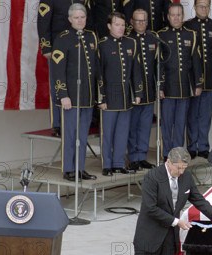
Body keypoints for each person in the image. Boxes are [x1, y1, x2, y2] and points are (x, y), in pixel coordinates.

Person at [128, 147, 212, 255]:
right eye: (178, 167)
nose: (181, 171)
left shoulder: (185, 177)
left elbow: (197, 198)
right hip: (149, 238)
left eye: (184, 168)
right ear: (168, 162)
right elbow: (150, 208)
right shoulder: (152, 177)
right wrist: (176, 222)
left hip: (169, 239)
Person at [51, 3, 99, 182]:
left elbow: (96, 68)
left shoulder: (91, 36)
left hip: (87, 97)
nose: (80, 20)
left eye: (83, 17)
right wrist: (63, 95)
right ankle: (68, 169)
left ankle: (80, 168)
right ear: (70, 19)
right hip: (70, 97)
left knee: (82, 136)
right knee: (70, 135)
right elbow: (58, 70)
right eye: (76, 17)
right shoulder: (62, 39)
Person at [98, 12, 143, 176]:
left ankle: (119, 163)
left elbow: (136, 70)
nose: (121, 28)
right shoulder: (102, 44)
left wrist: (138, 91)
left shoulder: (131, 43)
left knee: (122, 132)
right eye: (117, 25)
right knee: (108, 133)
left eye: (123, 25)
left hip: (125, 95)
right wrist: (100, 96)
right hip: (109, 95)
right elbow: (99, 73)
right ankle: (107, 164)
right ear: (109, 26)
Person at [157, 3, 203, 160]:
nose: (176, 18)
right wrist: (160, 87)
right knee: (167, 123)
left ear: (182, 16)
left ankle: (177, 153)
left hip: (184, 86)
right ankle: (166, 154)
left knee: (181, 123)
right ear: (168, 17)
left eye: (178, 15)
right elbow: (159, 64)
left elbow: (196, 61)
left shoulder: (191, 34)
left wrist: (198, 84)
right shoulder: (161, 35)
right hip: (168, 86)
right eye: (173, 15)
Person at [37, 0, 90, 137]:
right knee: (58, 85)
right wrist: (46, 47)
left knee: (81, 82)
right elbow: (43, 22)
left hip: (79, 46)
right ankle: (58, 123)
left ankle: (82, 118)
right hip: (57, 49)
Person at [184, 0, 212, 159]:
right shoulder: (187, 26)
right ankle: (191, 146)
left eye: (207, 6)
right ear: (194, 7)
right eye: (200, 6)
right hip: (192, 78)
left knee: (205, 114)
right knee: (192, 114)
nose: (204, 9)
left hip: (209, 77)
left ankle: (203, 146)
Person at [127, 9, 159, 171]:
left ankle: (142, 156)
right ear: (132, 22)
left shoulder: (153, 38)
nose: (141, 24)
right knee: (133, 126)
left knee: (145, 126)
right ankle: (133, 158)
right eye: (138, 21)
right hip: (133, 92)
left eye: (144, 21)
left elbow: (157, 66)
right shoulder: (127, 39)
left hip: (149, 90)